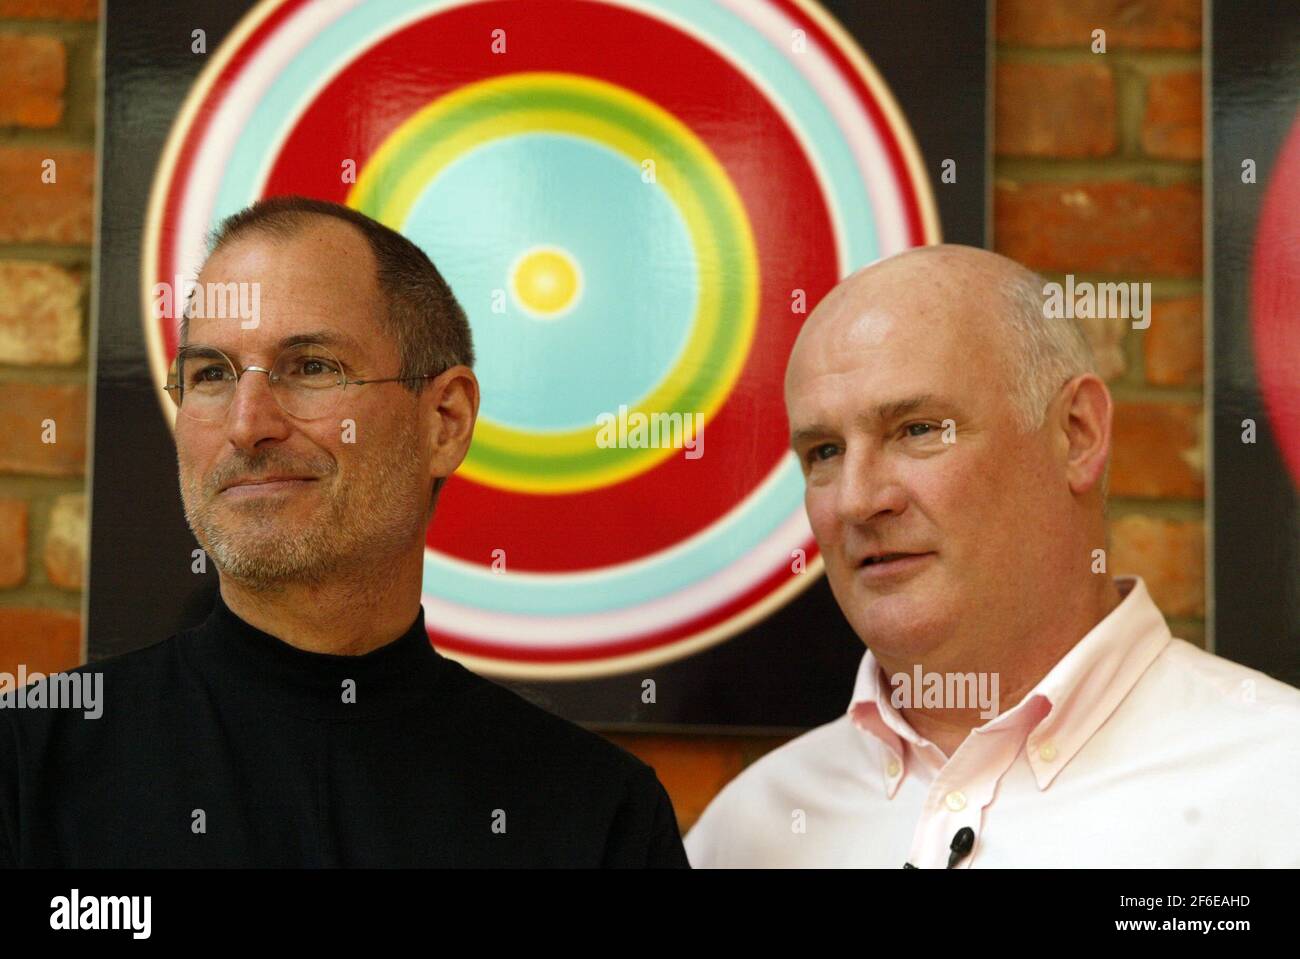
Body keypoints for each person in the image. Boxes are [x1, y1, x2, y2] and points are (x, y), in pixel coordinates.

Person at [0, 196, 687, 868]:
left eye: (312, 367)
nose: (247, 423)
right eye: (211, 374)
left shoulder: (595, 817)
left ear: (444, 421)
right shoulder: (28, 770)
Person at [686, 244, 1300, 868]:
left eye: (917, 430)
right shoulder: (749, 831)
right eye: (824, 452)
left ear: (1077, 434)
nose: (857, 500)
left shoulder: (1279, 785)